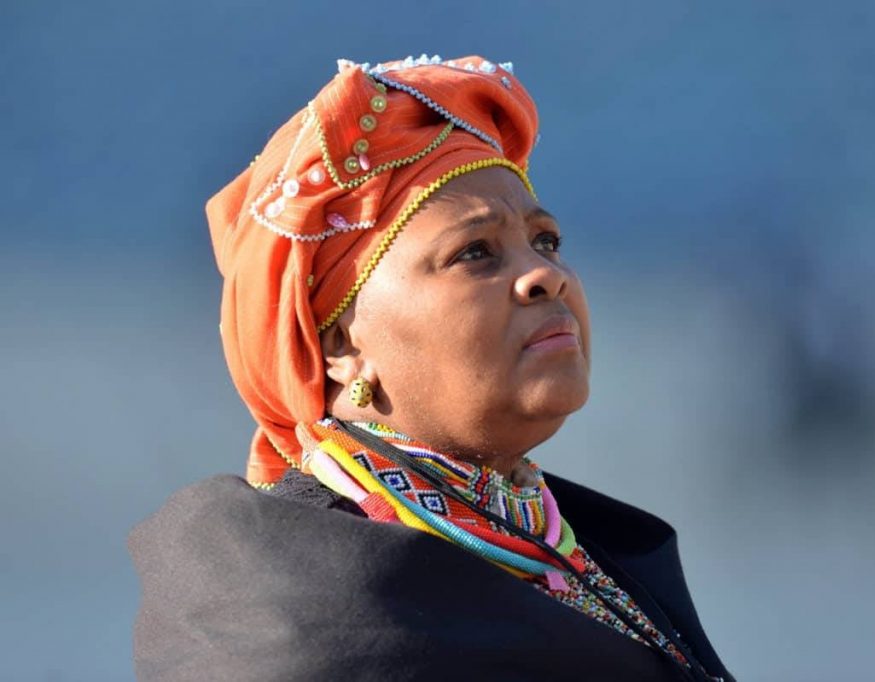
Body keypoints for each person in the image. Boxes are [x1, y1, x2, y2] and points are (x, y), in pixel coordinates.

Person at [128, 54, 736, 682]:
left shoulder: (587, 554)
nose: (545, 275)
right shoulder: (305, 617)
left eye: (546, 241)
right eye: (475, 253)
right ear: (340, 345)